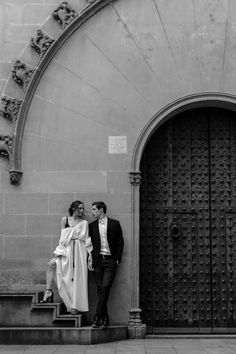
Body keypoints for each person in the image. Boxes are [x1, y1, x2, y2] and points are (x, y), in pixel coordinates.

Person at [40, 200, 93, 314]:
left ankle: (73, 306)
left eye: (83, 208)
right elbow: (62, 238)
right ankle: (48, 291)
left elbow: (87, 239)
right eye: (80, 208)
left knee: (76, 279)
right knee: (51, 265)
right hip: (66, 250)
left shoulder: (84, 223)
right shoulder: (65, 220)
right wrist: (59, 252)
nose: (82, 210)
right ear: (73, 208)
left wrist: (90, 255)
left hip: (79, 251)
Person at [89, 201, 124, 328]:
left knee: (105, 287)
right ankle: (105, 318)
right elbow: (89, 244)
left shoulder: (115, 224)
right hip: (98, 261)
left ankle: (97, 317)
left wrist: (117, 259)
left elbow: (120, 242)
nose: (92, 212)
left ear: (101, 210)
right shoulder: (91, 226)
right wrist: (91, 259)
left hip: (110, 261)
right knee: (100, 289)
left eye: (94, 209)